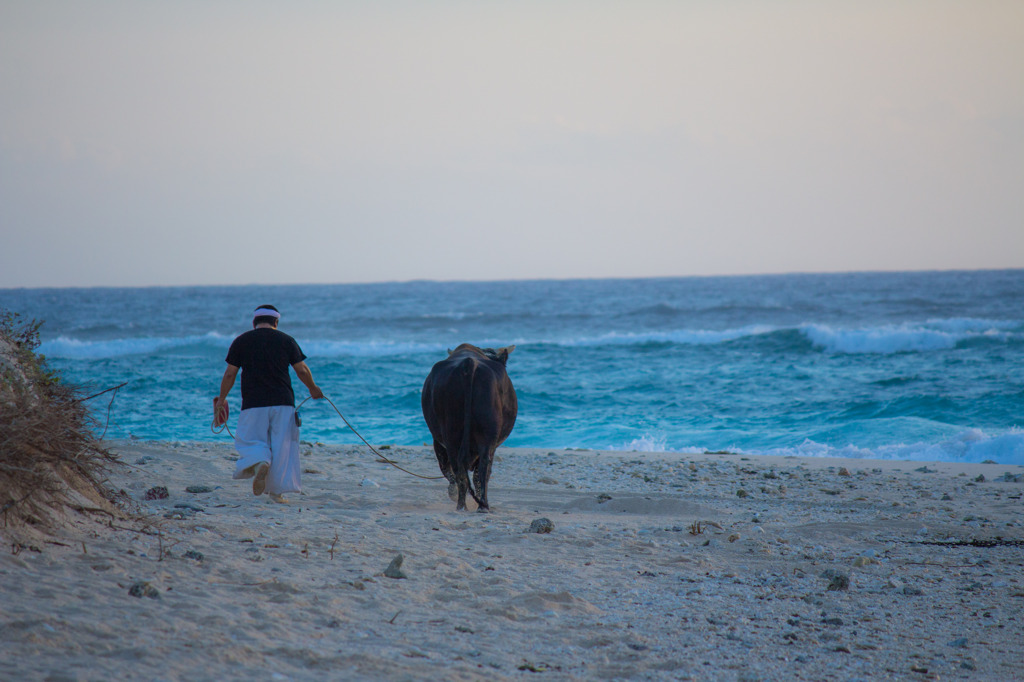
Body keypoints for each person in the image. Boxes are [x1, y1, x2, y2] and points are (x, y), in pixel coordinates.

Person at [214, 304, 323, 503]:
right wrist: (313, 388)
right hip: (283, 402)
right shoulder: (286, 340)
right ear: (276, 322)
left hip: (253, 402)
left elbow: (230, 373)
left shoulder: (241, 341)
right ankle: (276, 493)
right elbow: (302, 370)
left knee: (250, 439)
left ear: (254, 322)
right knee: (283, 446)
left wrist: (222, 399)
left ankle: (259, 462)